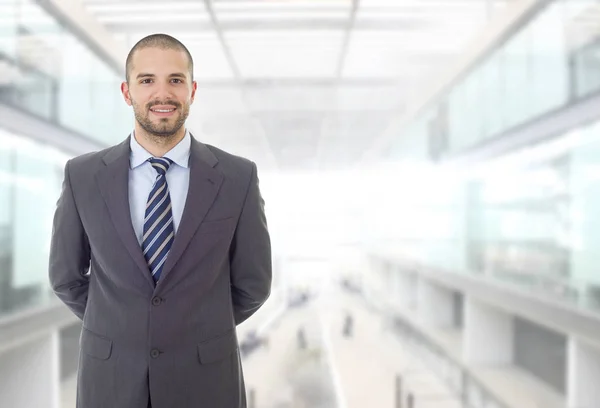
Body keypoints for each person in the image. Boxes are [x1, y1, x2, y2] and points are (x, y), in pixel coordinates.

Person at [48, 33, 272, 408]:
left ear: (193, 90)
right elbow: (65, 277)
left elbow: (254, 283)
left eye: (176, 80)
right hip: (111, 380)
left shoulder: (238, 177)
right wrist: (125, 324)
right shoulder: (82, 176)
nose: (162, 94)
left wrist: (193, 326)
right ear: (126, 91)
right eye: (147, 80)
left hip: (205, 381)